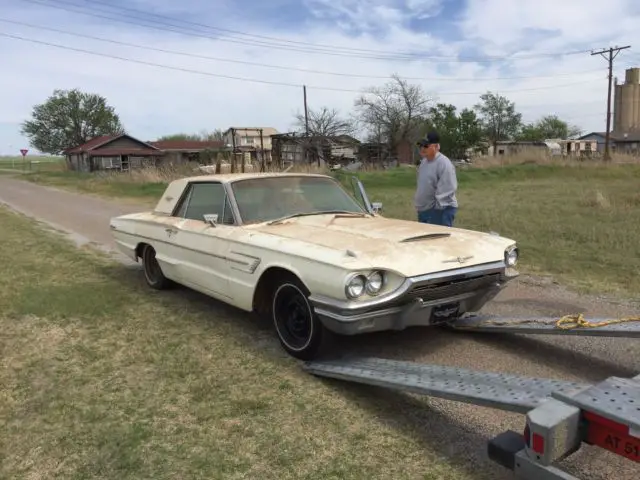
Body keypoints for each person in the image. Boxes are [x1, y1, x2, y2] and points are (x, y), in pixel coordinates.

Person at [414, 131, 458, 227]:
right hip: (424, 210)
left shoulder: (444, 163)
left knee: (438, 241)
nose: (422, 148)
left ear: (436, 146)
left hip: (440, 211)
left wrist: (435, 211)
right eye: (421, 146)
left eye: (426, 146)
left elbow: (447, 189)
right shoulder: (424, 163)